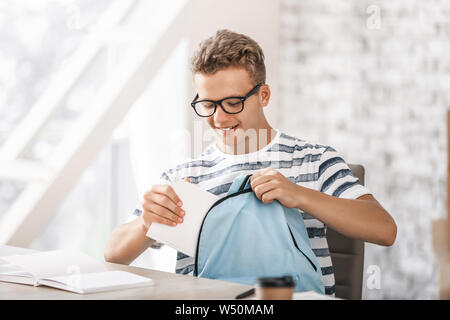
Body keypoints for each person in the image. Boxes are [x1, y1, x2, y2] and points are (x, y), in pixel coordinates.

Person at [104, 29, 397, 296]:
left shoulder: (314, 160)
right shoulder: (184, 176)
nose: (219, 118)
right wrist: (147, 221)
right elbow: (114, 254)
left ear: (264, 95)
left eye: (233, 103)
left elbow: (384, 229)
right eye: (208, 105)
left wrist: (299, 195)